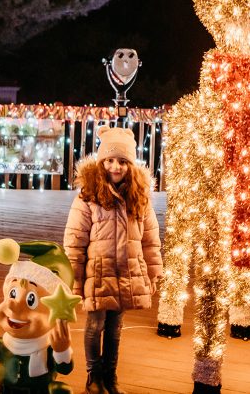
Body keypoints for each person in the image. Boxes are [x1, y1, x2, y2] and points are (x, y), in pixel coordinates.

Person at [64, 125, 162, 394]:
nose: (115, 167)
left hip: (127, 273)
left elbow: (150, 239)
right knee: (95, 325)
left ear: (130, 164)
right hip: (98, 272)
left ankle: (111, 376)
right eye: (109, 160)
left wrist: (153, 272)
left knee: (115, 328)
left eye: (122, 161)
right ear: (101, 163)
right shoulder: (88, 197)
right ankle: (93, 376)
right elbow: (75, 241)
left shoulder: (139, 198)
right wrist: (75, 279)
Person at [0, 238, 80, 393]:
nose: (12, 305)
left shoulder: (47, 348)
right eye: (13, 294)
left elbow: (64, 369)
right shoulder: (4, 345)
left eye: (31, 300)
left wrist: (61, 350)